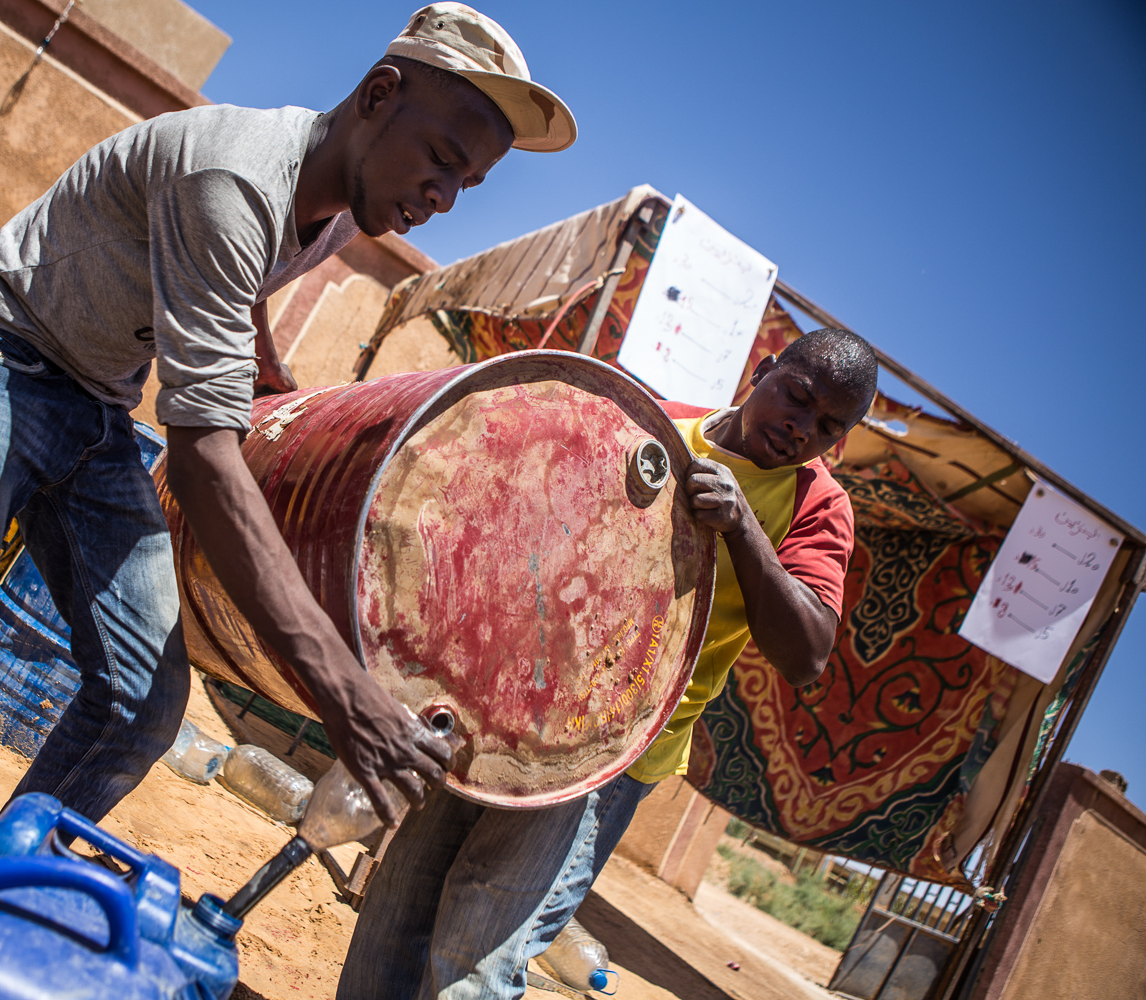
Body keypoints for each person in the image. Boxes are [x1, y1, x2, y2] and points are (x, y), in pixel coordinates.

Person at [0, 3, 577, 945]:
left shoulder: (336, 211)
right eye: (444, 159)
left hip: (91, 406)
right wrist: (345, 694)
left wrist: (272, 383)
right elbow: (204, 462)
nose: (446, 197)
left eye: (470, 181)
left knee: (142, 702)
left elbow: (229, 289)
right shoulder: (235, 172)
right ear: (381, 95)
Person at [337, 327, 880, 1000]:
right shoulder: (654, 429)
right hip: (499, 715)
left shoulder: (817, 506)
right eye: (797, 398)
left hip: (613, 755)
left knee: (479, 947)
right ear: (764, 370)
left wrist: (743, 529)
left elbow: (806, 654)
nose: (803, 428)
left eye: (829, 426)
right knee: (402, 902)